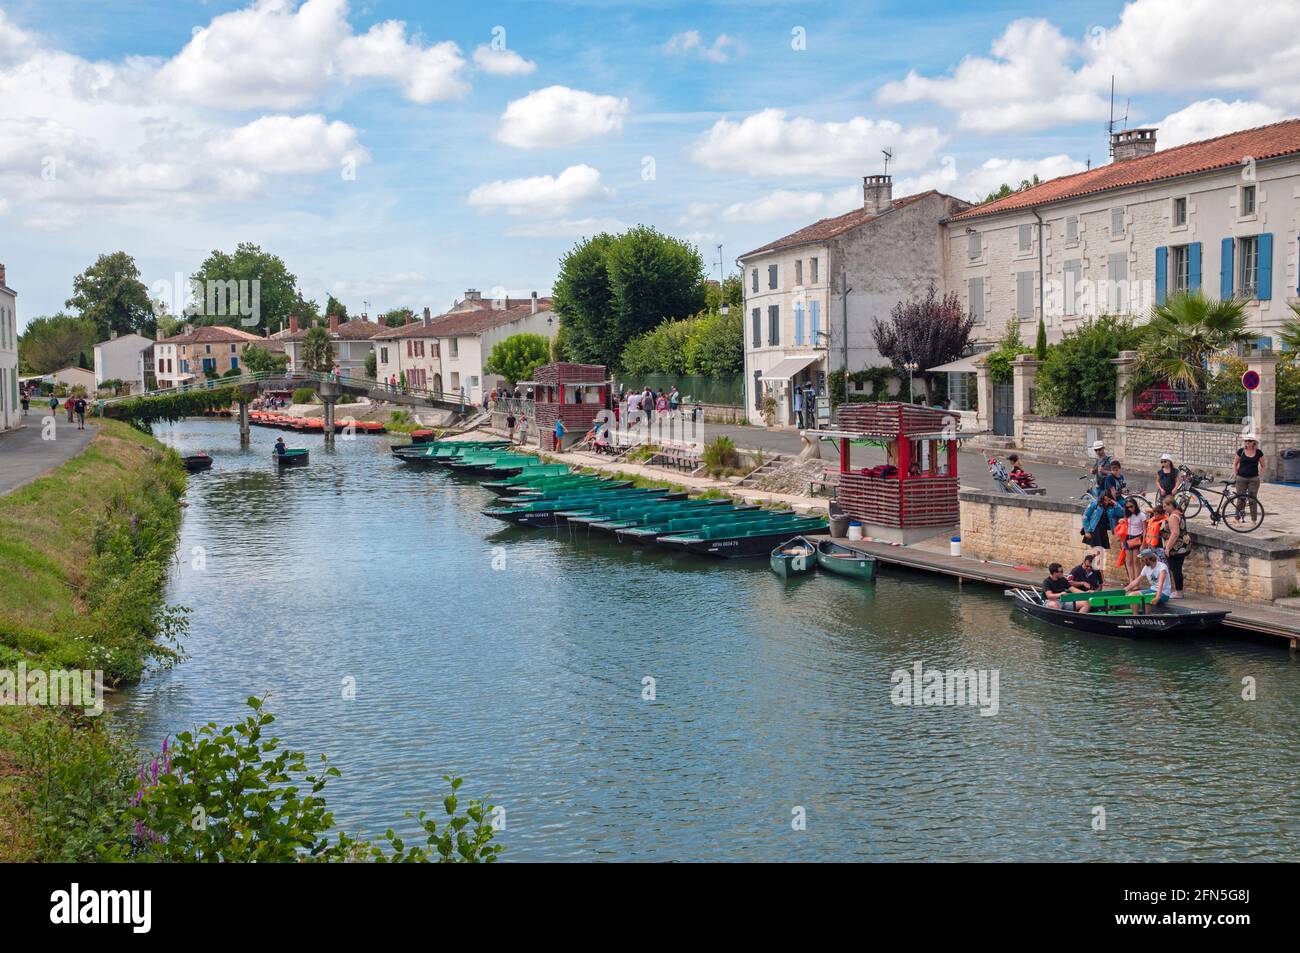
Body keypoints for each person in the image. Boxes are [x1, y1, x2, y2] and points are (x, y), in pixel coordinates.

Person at [1081, 487, 1122, 571]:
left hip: (1102, 531)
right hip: (1094, 530)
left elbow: (1122, 513)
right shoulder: (1095, 504)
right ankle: (1099, 575)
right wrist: (1087, 531)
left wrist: (1115, 504)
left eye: (1108, 500)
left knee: (1099, 553)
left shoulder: (1111, 507)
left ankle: (1090, 570)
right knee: (1098, 553)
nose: (1106, 502)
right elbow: (1085, 516)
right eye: (1104, 500)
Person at [1125, 548, 1173, 614]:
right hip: (1152, 590)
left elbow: (1160, 583)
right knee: (1131, 595)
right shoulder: (1146, 568)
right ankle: (1135, 617)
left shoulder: (1162, 567)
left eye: (1142, 559)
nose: (1141, 561)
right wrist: (1125, 589)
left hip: (1163, 593)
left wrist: (1157, 597)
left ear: (1147, 559)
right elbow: (1137, 580)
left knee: (1147, 598)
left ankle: (1147, 616)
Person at [1233, 433, 1265, 523]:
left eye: (1250, 441)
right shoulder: (1241, 451)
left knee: (1252, 499)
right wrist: (1236, 475)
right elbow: (1234, 464)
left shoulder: (1258, 452)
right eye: (1246, 441)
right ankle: (1237, 519)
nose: (1248, 442)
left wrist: (1260, 476)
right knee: (1241, 499)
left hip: (1253, 479)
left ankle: (1254, 520)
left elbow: (1263, 465)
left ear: (1254, 442)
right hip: (1241, 479)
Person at [1163, 496, 1190, 599]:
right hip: (1184, 544)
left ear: (1170, 505)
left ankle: (1179, 592)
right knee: (1177, 568)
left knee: (1176, 569)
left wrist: (1168, 548)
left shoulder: (1173, 516)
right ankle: (1178, 591)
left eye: (1165, 506)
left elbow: (1175, 533)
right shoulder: (1179, 513)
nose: (1164, 508)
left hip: (1176, 547)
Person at [1120, 497, 1147, 583]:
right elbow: (1124, 527)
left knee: (1136, 562)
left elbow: (1145, 530)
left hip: (1137, 539)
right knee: (1129, 561)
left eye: (1131, 506)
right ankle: (1131, 581)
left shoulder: (1141, 515)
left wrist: (1143, 544)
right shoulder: (1127, 515)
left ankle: (1136, 582)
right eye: (1127, 507)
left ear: (1135, 505)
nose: (1130, 508)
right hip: (1128, 538)